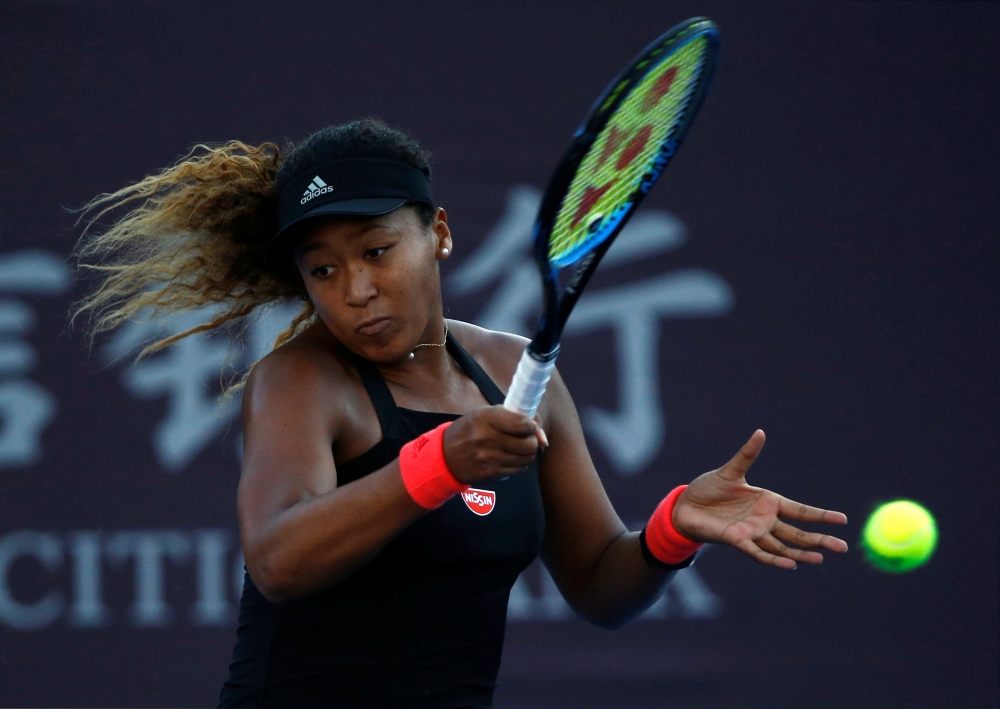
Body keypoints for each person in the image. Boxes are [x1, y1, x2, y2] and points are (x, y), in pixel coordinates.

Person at [74, 118, 848, 709]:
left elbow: (600, 586)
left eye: (377, 250)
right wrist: (442, 462)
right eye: (323, 269)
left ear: (437, 233)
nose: (356, 289)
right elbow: (278, 559)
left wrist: (676, 526)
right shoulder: (302, 378)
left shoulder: (515, 371)